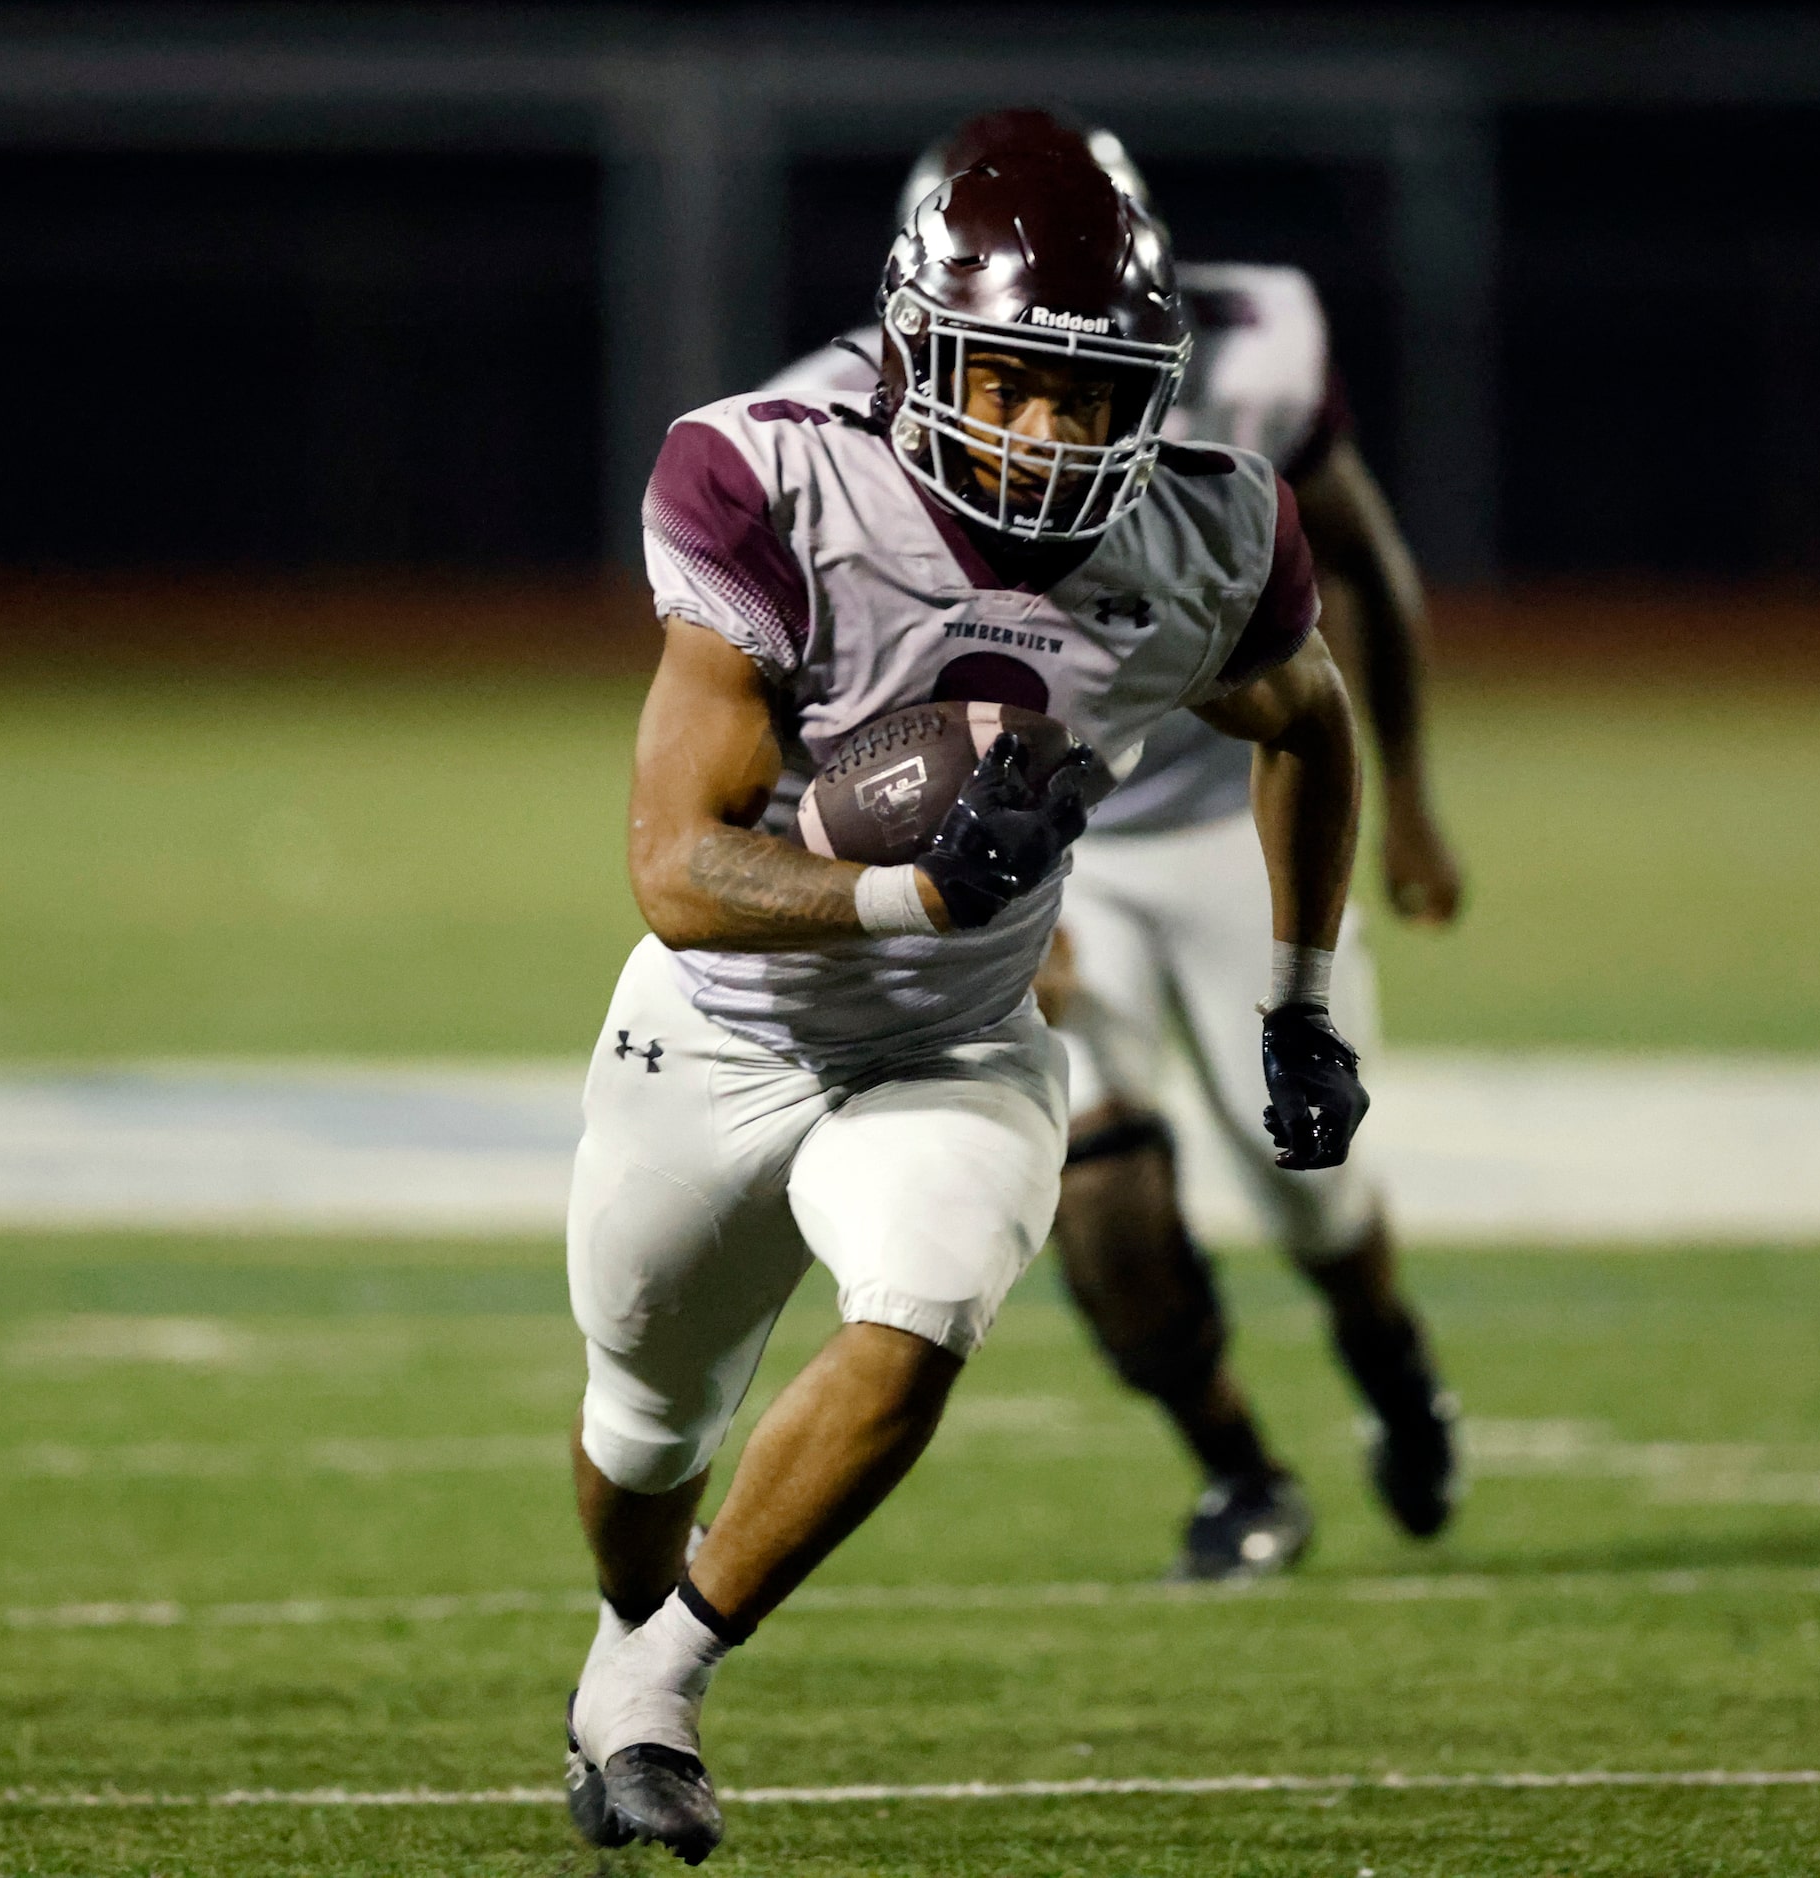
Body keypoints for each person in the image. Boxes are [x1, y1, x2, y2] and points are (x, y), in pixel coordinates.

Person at [560, 146, 1370, 1861]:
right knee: (641, 1435)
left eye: (1093, 395)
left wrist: (1300, 998)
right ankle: (625, 1638)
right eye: (1014, 383)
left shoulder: (1210, 524)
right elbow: (673, 862)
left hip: (955, 1043)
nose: (1056, 438)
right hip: (715, 1029)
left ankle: (656, 1695)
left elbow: (1309, 719)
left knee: (920, 1313)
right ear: (919, 355)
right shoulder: (766, 479)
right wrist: (910, 889)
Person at [764, 109, 1465, 1579]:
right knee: (1100, 1177)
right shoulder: (812, 435)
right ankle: (1238, 1470)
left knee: (1313, 1187)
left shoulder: (1254, 350)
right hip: (1022, 848)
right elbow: (764, 689)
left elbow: (1354, 591)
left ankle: (1395, 1367)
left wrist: (1401, 794)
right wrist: (919, 878)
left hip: (1220, 813)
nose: (1043, 413)